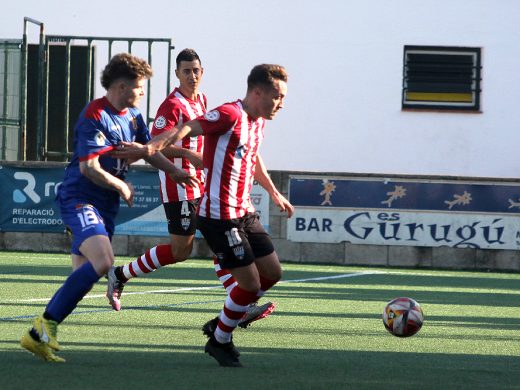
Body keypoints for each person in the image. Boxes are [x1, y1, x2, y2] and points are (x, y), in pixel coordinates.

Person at [20, 53, 197, 363]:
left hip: (107, 207)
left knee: (81, 279)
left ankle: (42, 335)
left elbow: (148, 151)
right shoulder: (96, 115)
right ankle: (38, 331)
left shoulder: (132, 117)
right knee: (104, 262)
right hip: (80, 198)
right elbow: (89, 168)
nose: (143, 92)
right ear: (120, 86)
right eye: (139, 87)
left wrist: (174, 170)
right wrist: (121, 185)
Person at [114, 64, 294, 367]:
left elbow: (253, 157)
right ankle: (220, 339)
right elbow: (187, 128)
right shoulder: (229, 114)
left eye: (284, 98)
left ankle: (225, 320)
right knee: (248, 284)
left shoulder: (258, 121)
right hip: (219, 215)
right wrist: (150, 148)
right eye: (277, 96)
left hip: (245, 211)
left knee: (273, 273)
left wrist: (274, 192)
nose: (281, 104)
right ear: (257, 92)